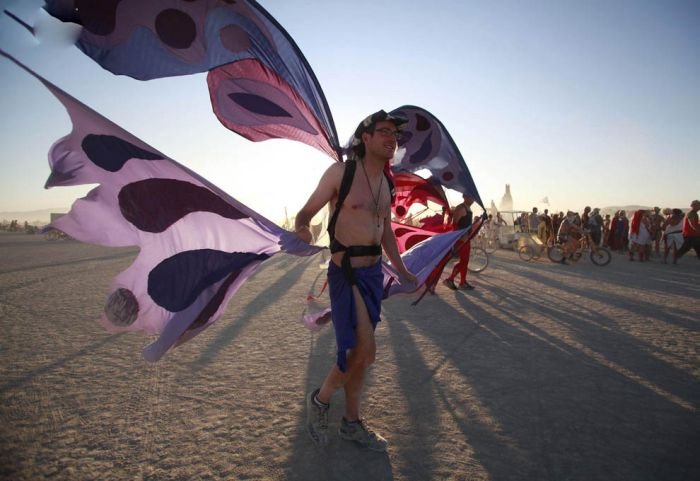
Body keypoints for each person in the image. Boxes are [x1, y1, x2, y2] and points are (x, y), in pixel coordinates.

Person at [295, 110, 417, 452]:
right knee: (364, 351)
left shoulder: (386, 182)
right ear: (365, 138)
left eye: (395, 133)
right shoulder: (341, 172)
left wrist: (402, 270)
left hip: (372, 275)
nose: (391, 138)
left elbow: (386, 231)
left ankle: (351, 422)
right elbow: (306, 211)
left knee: (360, 356)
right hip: (345, 272)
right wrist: (302, 226)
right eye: (384, 132)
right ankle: (320, 400)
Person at [442, 194, 476, 290]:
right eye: (471, 197)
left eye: (473, 198)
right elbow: (454, 225)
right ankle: (450, 279)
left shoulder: (468, 208)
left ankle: (462, 282)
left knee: (465, 261)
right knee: (463, 261)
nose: (472, 200)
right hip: (461, 240)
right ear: (465, 197)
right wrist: (461, 237)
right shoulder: (461, 208)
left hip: (466, 239)